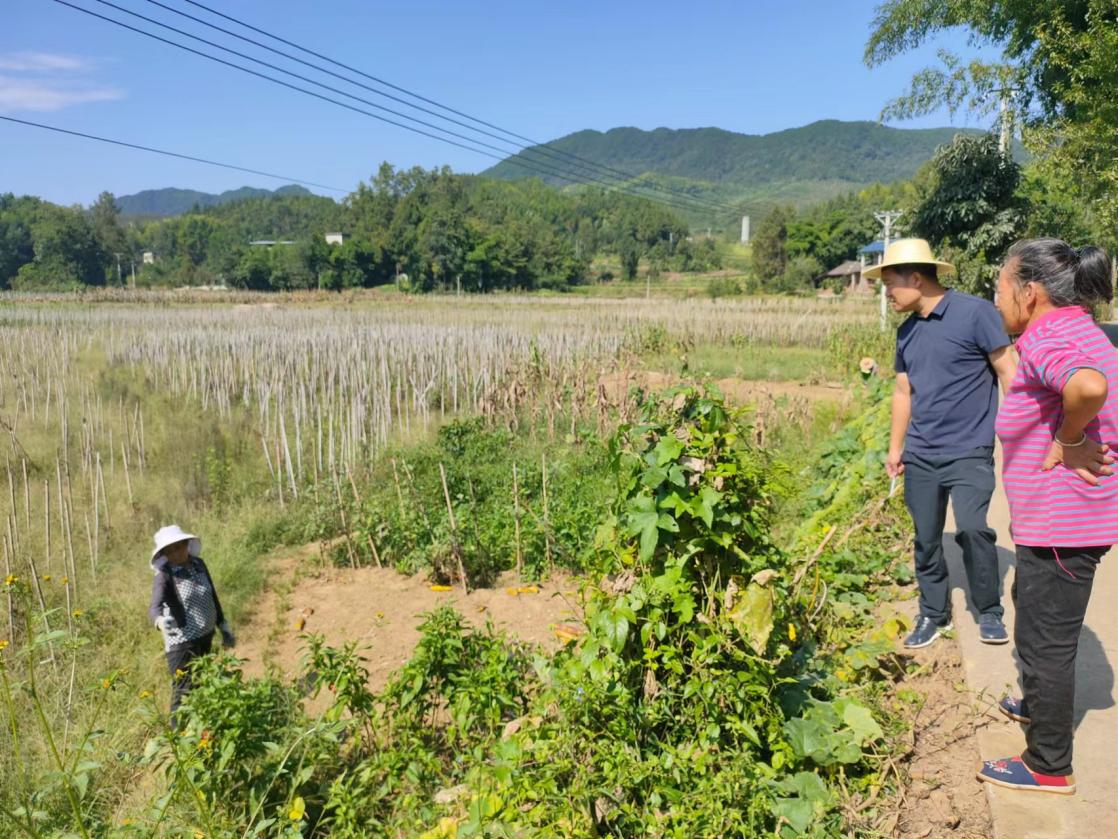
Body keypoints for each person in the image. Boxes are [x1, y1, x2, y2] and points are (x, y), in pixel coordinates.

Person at [977, 238, 1117, 795]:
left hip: (1065, 523)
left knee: (1046, 642)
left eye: (999, 288)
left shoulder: (1048, 336)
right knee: (1032, 619)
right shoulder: (1079, 328)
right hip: (1065, 518)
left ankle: (1048, 764)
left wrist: (1068, 436)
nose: (997, 299)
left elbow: (1088, 386)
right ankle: (1036, 703)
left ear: (1029, 293)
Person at [866, 239, 1017, 649]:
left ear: (916, 278)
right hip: (921, 454)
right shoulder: (907, 332)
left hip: (970, 449)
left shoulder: (976, 314)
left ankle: (988, 610)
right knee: (927, 537)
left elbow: (1009, 372)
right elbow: (903, 392)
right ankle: (933, 614)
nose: (887, 294)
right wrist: (895, 448)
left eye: (890, 284)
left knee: (972, 530)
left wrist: (1023, 436)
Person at [148, 524, 235, 726]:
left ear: (187, 544)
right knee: (183, 691)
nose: (176, 553)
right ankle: (179, 739)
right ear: (164, 554)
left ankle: (203, 729)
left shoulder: (199, 564)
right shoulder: (164, 576)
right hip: (182, 643)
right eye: (170, 550)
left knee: (203, 682)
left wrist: (223, 625)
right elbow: (154, 607)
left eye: (179, 546)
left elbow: (212, 594)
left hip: (206, 635)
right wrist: (160, 621)